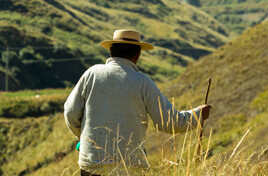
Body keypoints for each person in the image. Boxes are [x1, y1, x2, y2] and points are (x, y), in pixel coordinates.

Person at [64, 29, 211, 175]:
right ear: (138, 55)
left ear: (111, 52)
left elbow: (70, 112)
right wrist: (198, 114)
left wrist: (84, 139)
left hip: (91, 167)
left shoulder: (92, 74)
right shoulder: (143, 83)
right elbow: (170, 123)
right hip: (129, 169)